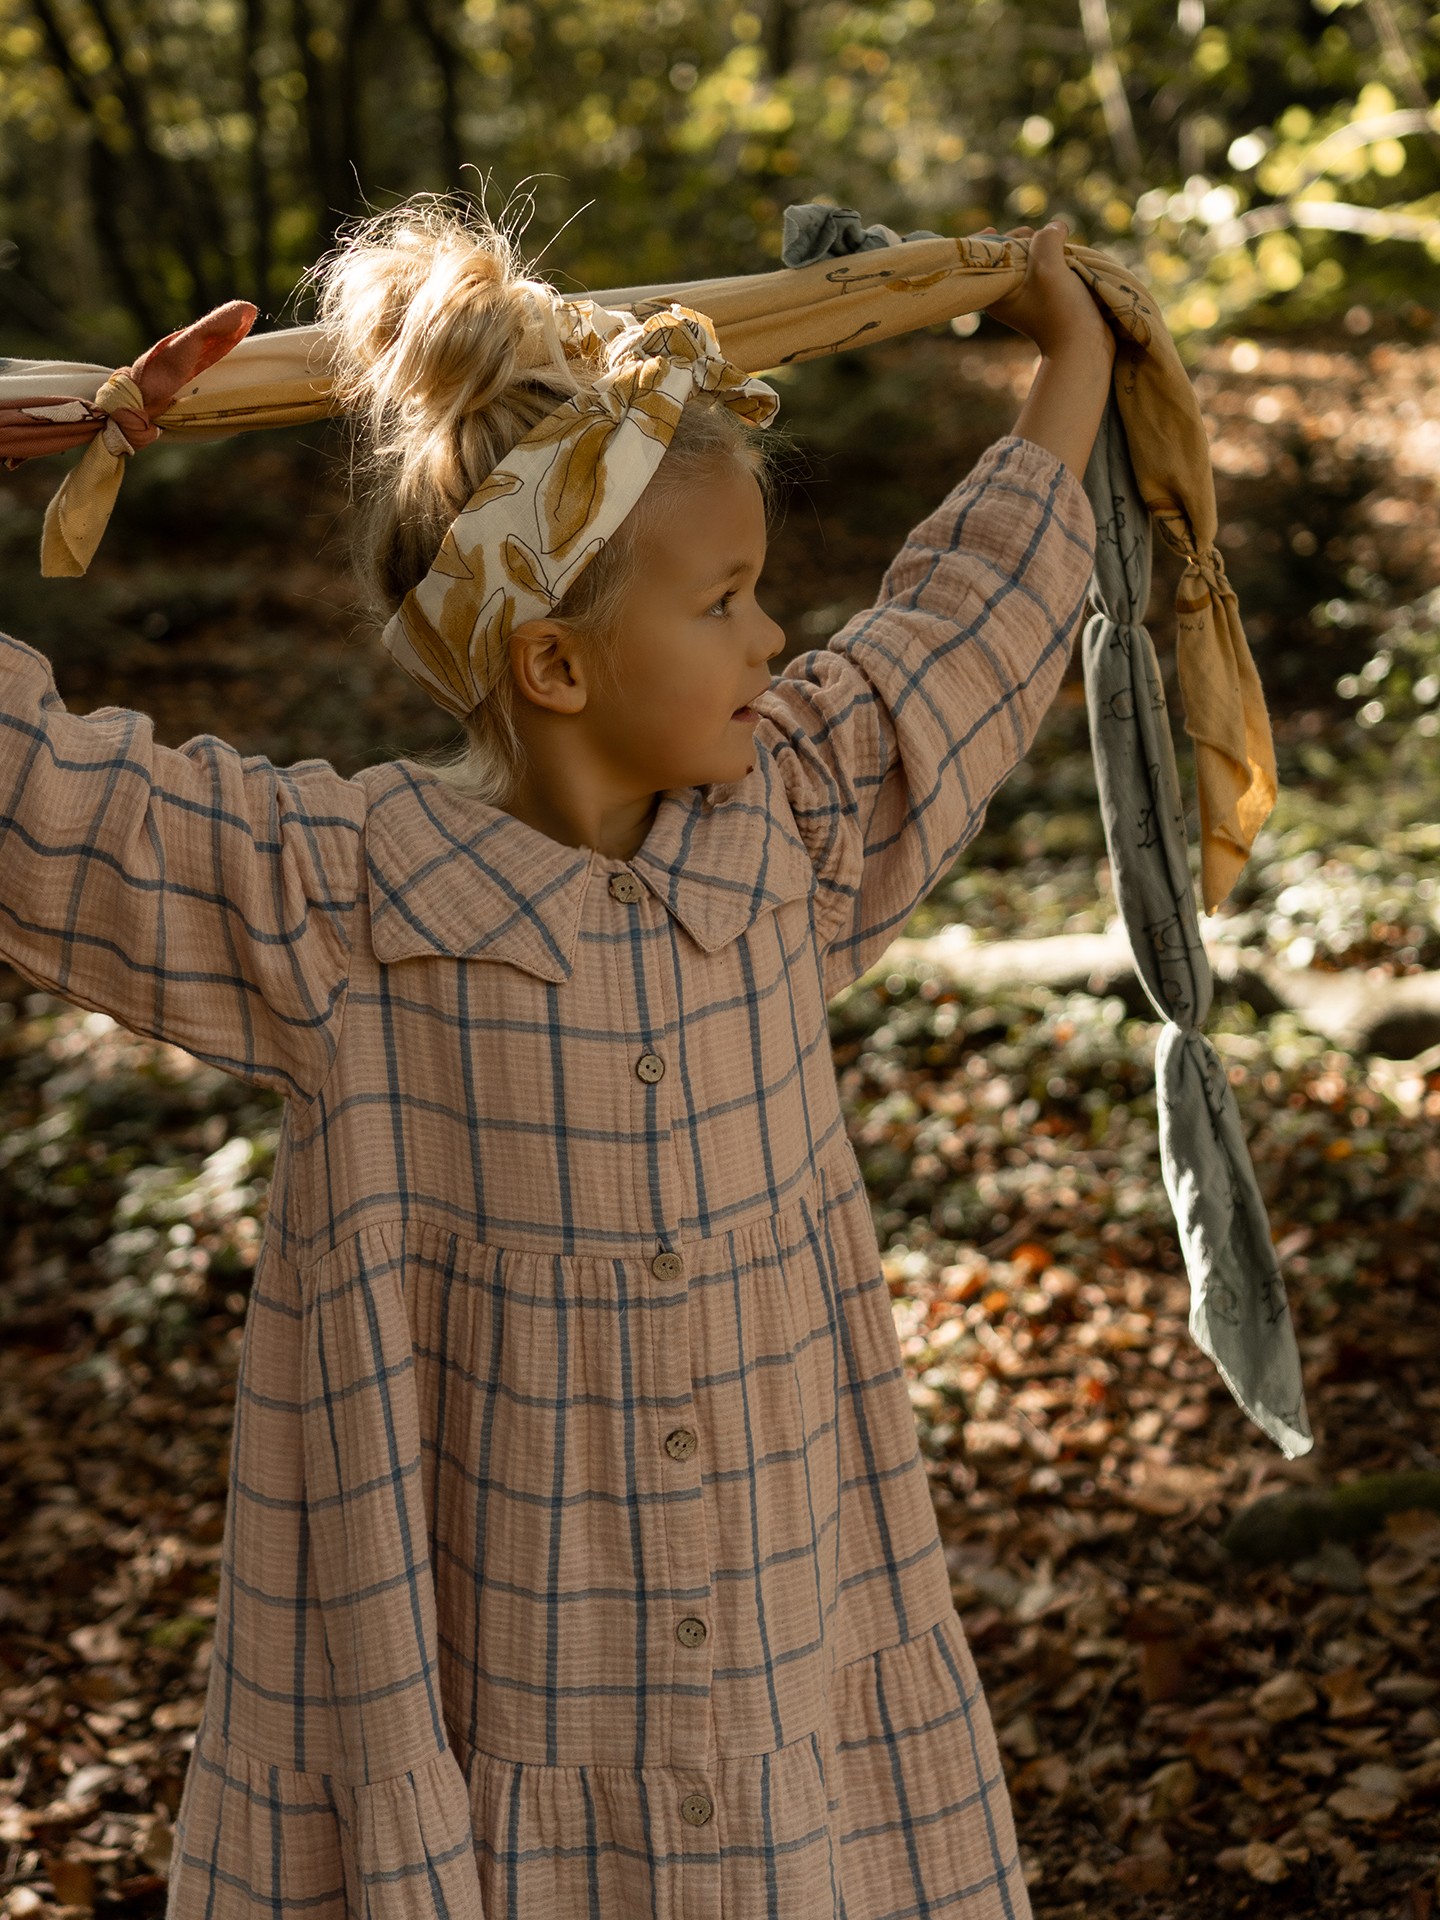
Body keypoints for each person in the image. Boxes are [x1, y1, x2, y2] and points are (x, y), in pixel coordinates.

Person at [0, 198, 1113, 1918]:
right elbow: (51, 805)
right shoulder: (343, 913)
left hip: (774, 1693)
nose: (774, 642)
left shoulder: (791, 833)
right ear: (555, 660)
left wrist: (1073, 364)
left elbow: (968, 629)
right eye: (729, 600)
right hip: (483, 1693)